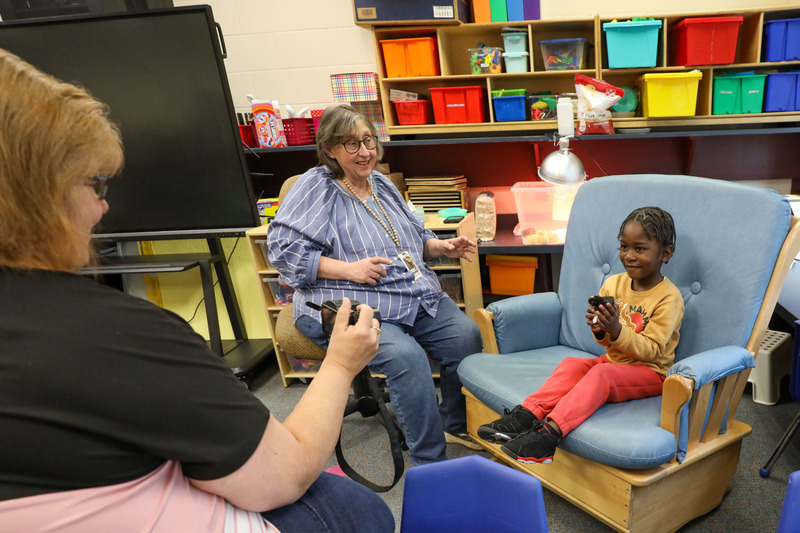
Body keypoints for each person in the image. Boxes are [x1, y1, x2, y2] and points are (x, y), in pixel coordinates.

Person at [0, 49, 394, 532]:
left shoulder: (384, 189)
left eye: (369, 142)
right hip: (337, 308)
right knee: (359, 509)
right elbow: (282, 476)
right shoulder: (117, 333)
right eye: (96, 185)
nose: (102, 209)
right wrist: (340, 359)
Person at [267, 105, 484, 465]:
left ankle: (453, 424)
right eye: (351, 144)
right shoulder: (317, 186)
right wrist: (349, 270)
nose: (365, 151)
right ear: (331, 149)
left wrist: (440, 247)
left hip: (407, 292)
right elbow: (282, 252)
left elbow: (412, 239)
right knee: (407, 359)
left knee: (465, 337)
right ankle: (430, 459)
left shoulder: (381, 183)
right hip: (342, 301)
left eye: (368, 140)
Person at [478, 206, 684, 464]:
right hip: (615, 363)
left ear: (666, 253)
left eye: (640, 249)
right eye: (624, 247)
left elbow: (652, 350)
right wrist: (601, 331)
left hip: (651, 372)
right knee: (571, 365)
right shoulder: (614, 284)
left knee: (601, 373)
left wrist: (617, 330)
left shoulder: (669, 297)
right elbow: (609, 343)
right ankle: (526, 415)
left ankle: (548, 435)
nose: (629, 256)